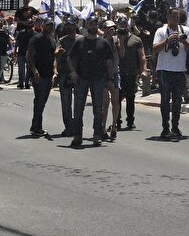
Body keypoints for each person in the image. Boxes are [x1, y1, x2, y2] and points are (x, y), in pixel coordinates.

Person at [67, 18, 115, 147]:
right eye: (90, 24)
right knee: (78, 108)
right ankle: (77, 135)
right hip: (82, 78)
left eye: (94, 24)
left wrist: (110, 79)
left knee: (98, 109)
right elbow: (70, 58)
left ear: (97, 26)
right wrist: (73, 72)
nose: (92, 26)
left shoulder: (104, 43)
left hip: (99, 79)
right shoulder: (79, 42)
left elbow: (110, 62)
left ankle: (97, 135)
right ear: (87, 26)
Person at [152, 8, 189, 140]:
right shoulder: (161, 31)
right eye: (172, 17)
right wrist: (167, 40)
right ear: (167, 17)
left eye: (177, 17)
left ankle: (175, 126)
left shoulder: (185, 31)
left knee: (177, 101)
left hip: (180, 71)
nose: (175, 19)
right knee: (165, 100)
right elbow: (154, 49)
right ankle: (165, 127)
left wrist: (184, 41)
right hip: (165, 70)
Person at [116, 17, 147, 131]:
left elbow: (142, 56)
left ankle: (130, 120)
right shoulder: (115, 39)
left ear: (128, 25)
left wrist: (144, 70)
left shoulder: (136, 39)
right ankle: (117, 121)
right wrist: (120, 40)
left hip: (131, 73)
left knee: (130, 98)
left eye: (125, 24)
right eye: (121, 24)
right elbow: (119, 55)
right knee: (117, 98)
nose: (123, 26)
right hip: (119, 73)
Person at [26, 21, 57, 136]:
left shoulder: (52, 40)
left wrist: (55, 71)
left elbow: (53, 56)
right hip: (39, 75)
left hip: (49, 75)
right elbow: (29, 55)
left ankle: (36, 125)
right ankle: (36, 127)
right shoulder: (36, 39)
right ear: (43, 26)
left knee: (42, 101)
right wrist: (34, 71)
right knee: (39, 100)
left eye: (52, 26)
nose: (50, 28)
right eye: (48, 25)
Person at [54, 21, 79, 136]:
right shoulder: (62, 40)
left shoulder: (81, 39)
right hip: (64, 73)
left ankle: (77, 125)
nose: (70, 28)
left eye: (72, 26)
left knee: (79, 101)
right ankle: (68, 126)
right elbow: (56, 51)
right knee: (66, 102)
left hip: (79, 74)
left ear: (76, 26)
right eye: (68, 26)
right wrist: (58, 52)